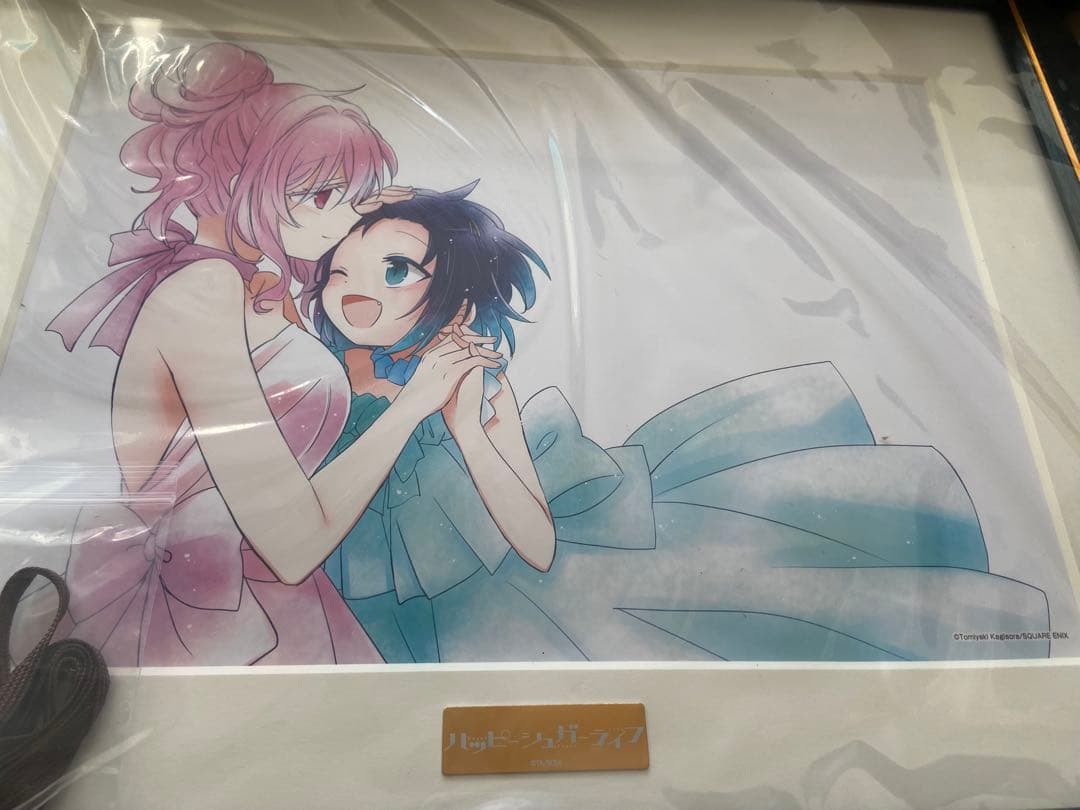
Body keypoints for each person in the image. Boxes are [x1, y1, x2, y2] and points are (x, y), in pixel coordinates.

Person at [313, 183, 1052, 663]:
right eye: (339, 271)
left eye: (397, 271)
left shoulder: (475, 387)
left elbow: (536, 546)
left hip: (490, 611)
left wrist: (466, 429)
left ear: (464, 299)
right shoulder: (312, 376)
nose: (354, 293)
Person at [46, 44, 501, 666]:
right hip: (203, 604)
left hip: (253, 580)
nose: (344, 222)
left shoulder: (247, 283)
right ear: (243, 183)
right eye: (323, 196)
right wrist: (415, 403)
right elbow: (292, 542)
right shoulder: (204, 290)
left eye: (354, 198)